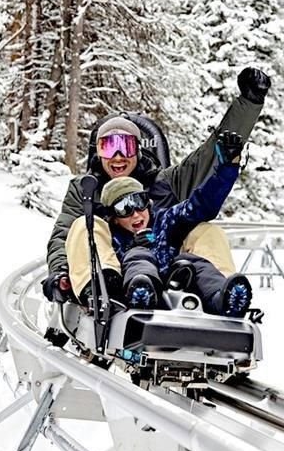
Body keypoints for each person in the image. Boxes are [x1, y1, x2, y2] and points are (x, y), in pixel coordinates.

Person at [42, 67, 271, 304]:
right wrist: (59, 272)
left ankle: (222, 297)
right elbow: (64, 234)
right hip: (112, 275)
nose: (118, 156)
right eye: (109, 147)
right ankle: (100, 289)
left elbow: (208, 159)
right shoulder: (86, 190)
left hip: (168, 274)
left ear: (138, 150)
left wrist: (248, 105)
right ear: (98, 152)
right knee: (85, 225)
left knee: (207, 230)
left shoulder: (164, 184)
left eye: (127, 146)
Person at [97, 131, 253, 316]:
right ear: (114, 218)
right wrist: (133, 247)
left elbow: (201, 204)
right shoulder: (113, 239)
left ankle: (222, 298)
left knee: (193, 263)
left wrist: (227, 167)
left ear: (148, 203)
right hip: (137, 290)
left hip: (175, 285)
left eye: (138, 202)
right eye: (124, 208)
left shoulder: (163, 221)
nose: (135, 214)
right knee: (138, 256)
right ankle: (143, 294)